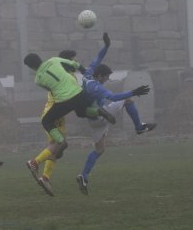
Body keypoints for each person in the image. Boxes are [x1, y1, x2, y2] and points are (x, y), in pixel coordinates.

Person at [23, 49, 116, 189]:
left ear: (31, 67)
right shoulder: (58, 64)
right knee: (81, 112)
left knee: (54, 139)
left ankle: (40, 168)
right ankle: (98, 111)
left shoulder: (38, 79)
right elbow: (77, 66)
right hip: (78, 95)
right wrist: (86, 72)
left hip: (59, 106)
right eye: (73, 58)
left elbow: (51, 88)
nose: (75, 60)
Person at [76, 33, 156, 195]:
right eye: (106, 77)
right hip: (100, 116)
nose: (107, 79)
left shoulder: (87, 75)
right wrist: (133, 91)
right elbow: (113, 97)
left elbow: (97, 58)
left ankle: (83, 176)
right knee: (128, 101)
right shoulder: (97, 87)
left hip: (93, 120)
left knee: (99, 150)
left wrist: (106, 46)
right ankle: (139, 127)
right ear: (99, 76)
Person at [36, 50, 79, 196]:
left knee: (57, 147)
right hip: (54, 116)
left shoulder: (59, 74)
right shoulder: (67, 76)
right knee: (57, 145)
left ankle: (45, 177)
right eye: (73, 59)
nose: (74, 62)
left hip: (56, 114)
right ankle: (34, 163)